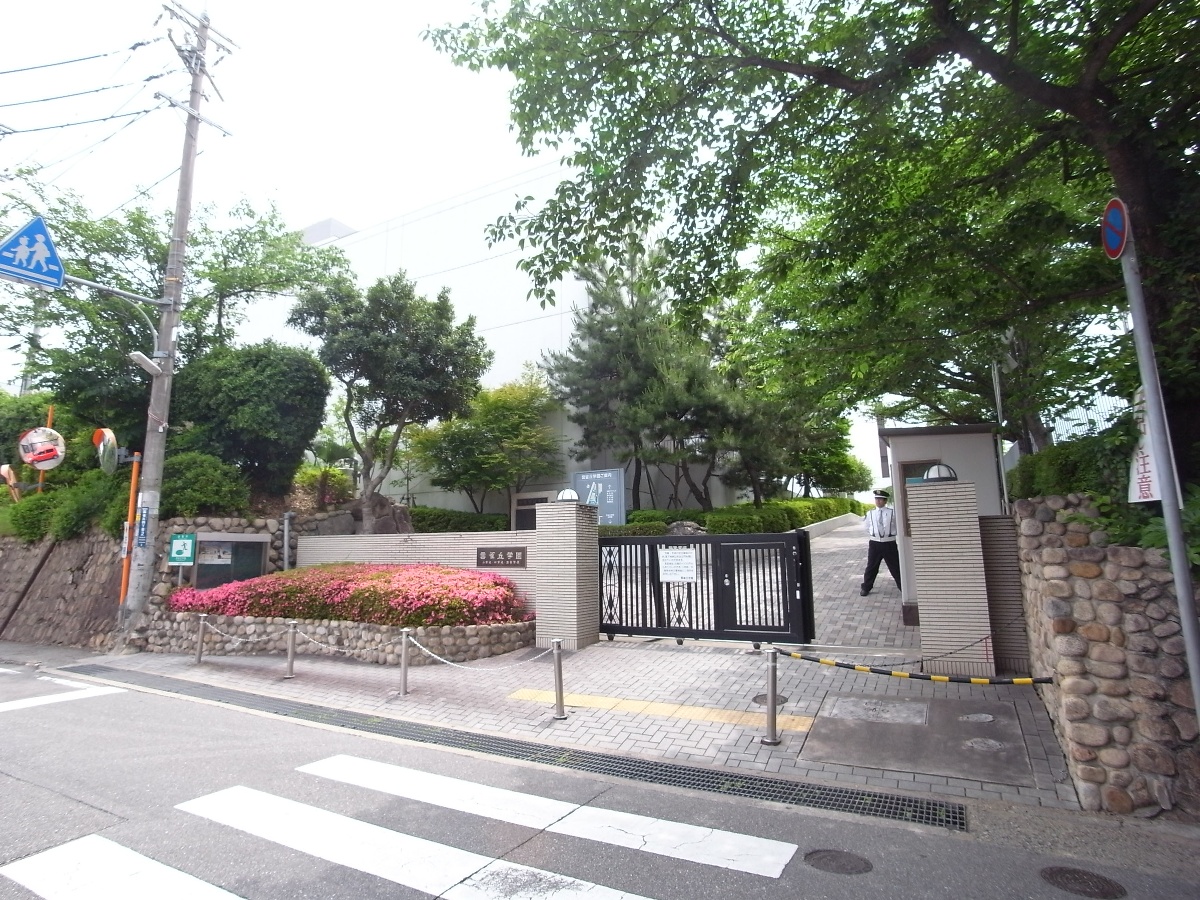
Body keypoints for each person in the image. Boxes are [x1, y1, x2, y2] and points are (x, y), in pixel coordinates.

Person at [861, 489, 901, 596]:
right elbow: (867, 527)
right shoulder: (870, 513)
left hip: (889, 543)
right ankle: (866, 587)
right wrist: (874, 534)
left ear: (885, 501)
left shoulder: (892, 512)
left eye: (880, 499)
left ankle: (903, 587)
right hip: (875, 543)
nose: (878, 501)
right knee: (871, 566)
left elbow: (898, 526)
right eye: (876, 499)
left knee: (895, 566)